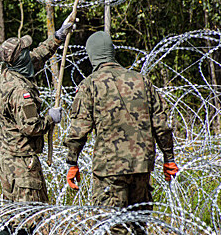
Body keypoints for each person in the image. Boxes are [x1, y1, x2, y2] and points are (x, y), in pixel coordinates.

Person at [64, 31, 178, 234]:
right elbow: (161, 125)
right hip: (142, 167)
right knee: (137, 225)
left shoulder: (90, 84)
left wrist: (72, 162)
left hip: (110, 170)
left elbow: (79, 130)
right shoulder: (141, 80)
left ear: (92, 55)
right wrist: (169, 158)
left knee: (112, 227)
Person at [0, 15, 74, 234]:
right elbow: (31, 127)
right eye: (25, 52)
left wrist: (57, 37)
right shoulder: (20, 92)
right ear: (21, 59)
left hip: (8, 158)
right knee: (28, 218)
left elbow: (36, 55)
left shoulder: (8, 74)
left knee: (12, 214)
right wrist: (50, 118)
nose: (30, 54)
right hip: (22, 163)